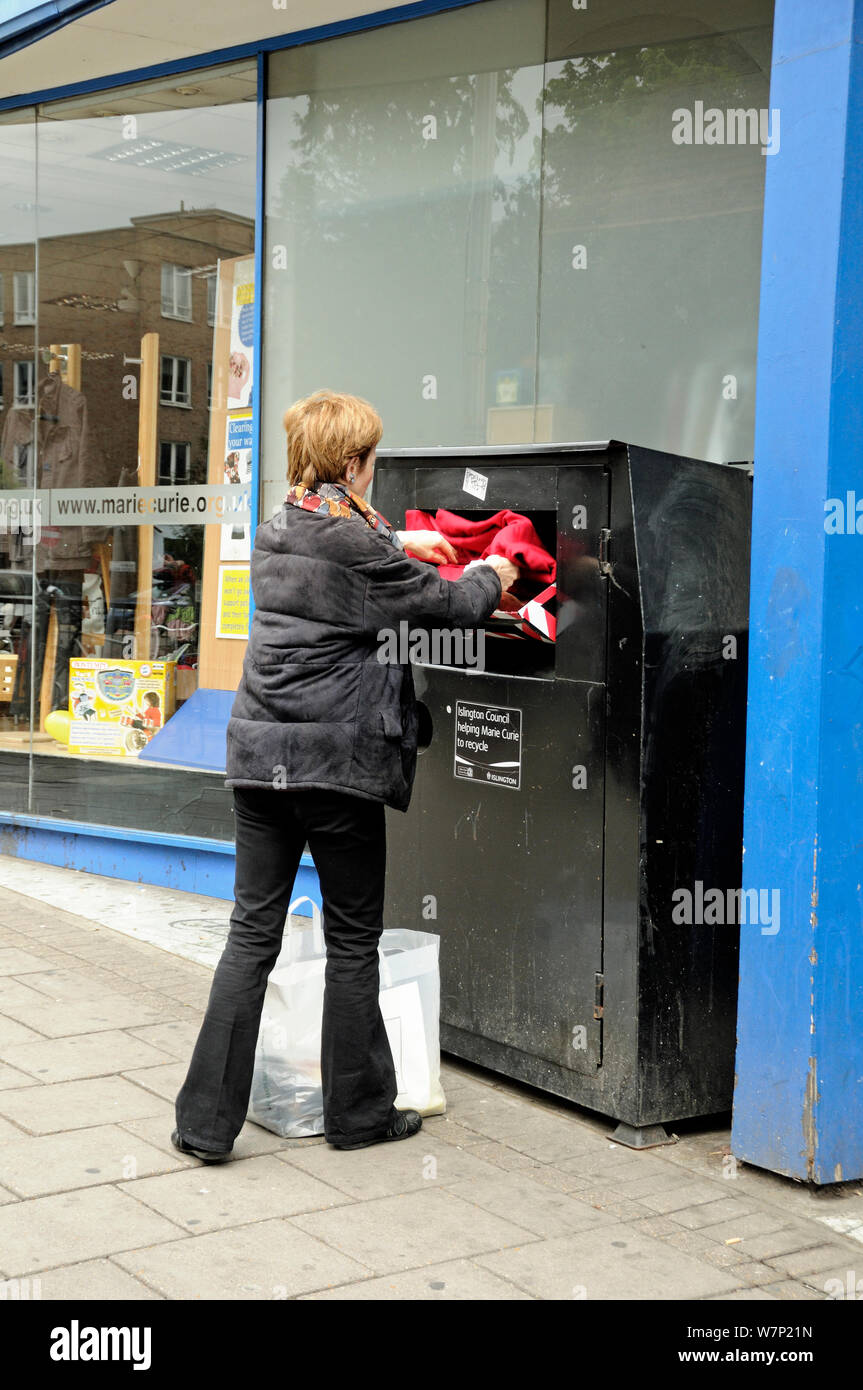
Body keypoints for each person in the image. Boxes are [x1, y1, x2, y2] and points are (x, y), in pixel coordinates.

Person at [173, 389, 517, 1161]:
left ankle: (202, 1125)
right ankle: (357, 1115)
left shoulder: (277, 526)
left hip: (260, 763)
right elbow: (450, 605)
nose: (375, 469)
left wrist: (403, 546)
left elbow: (352, 570)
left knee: (249, 939)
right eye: (372, 458)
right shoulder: (356, 546)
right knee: (353, 940)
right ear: (354, 462)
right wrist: (494, 567)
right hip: (334, 767)